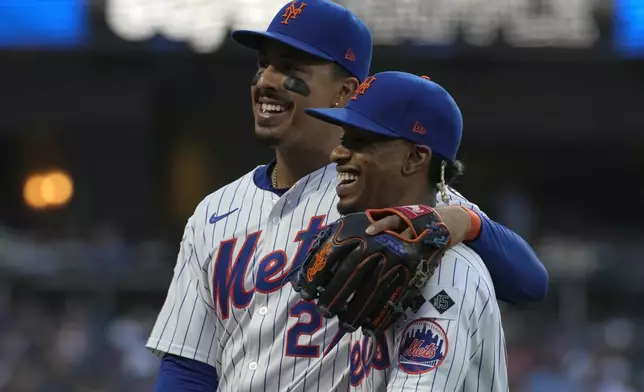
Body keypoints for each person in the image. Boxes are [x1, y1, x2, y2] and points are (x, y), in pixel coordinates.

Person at [147, 0, 544, 390]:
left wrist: (465, 221)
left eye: (289, 68)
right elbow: (188, 367)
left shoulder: (383, 196)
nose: (266, 80)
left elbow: (528, 282)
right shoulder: (213, 212)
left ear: (346, 91)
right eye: (262, 64)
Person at [306, 71, 507, 390]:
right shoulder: (381, 256)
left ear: (415, 158)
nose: (337, 153)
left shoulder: (448, 275)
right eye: (344, 138)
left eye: (359, 141)